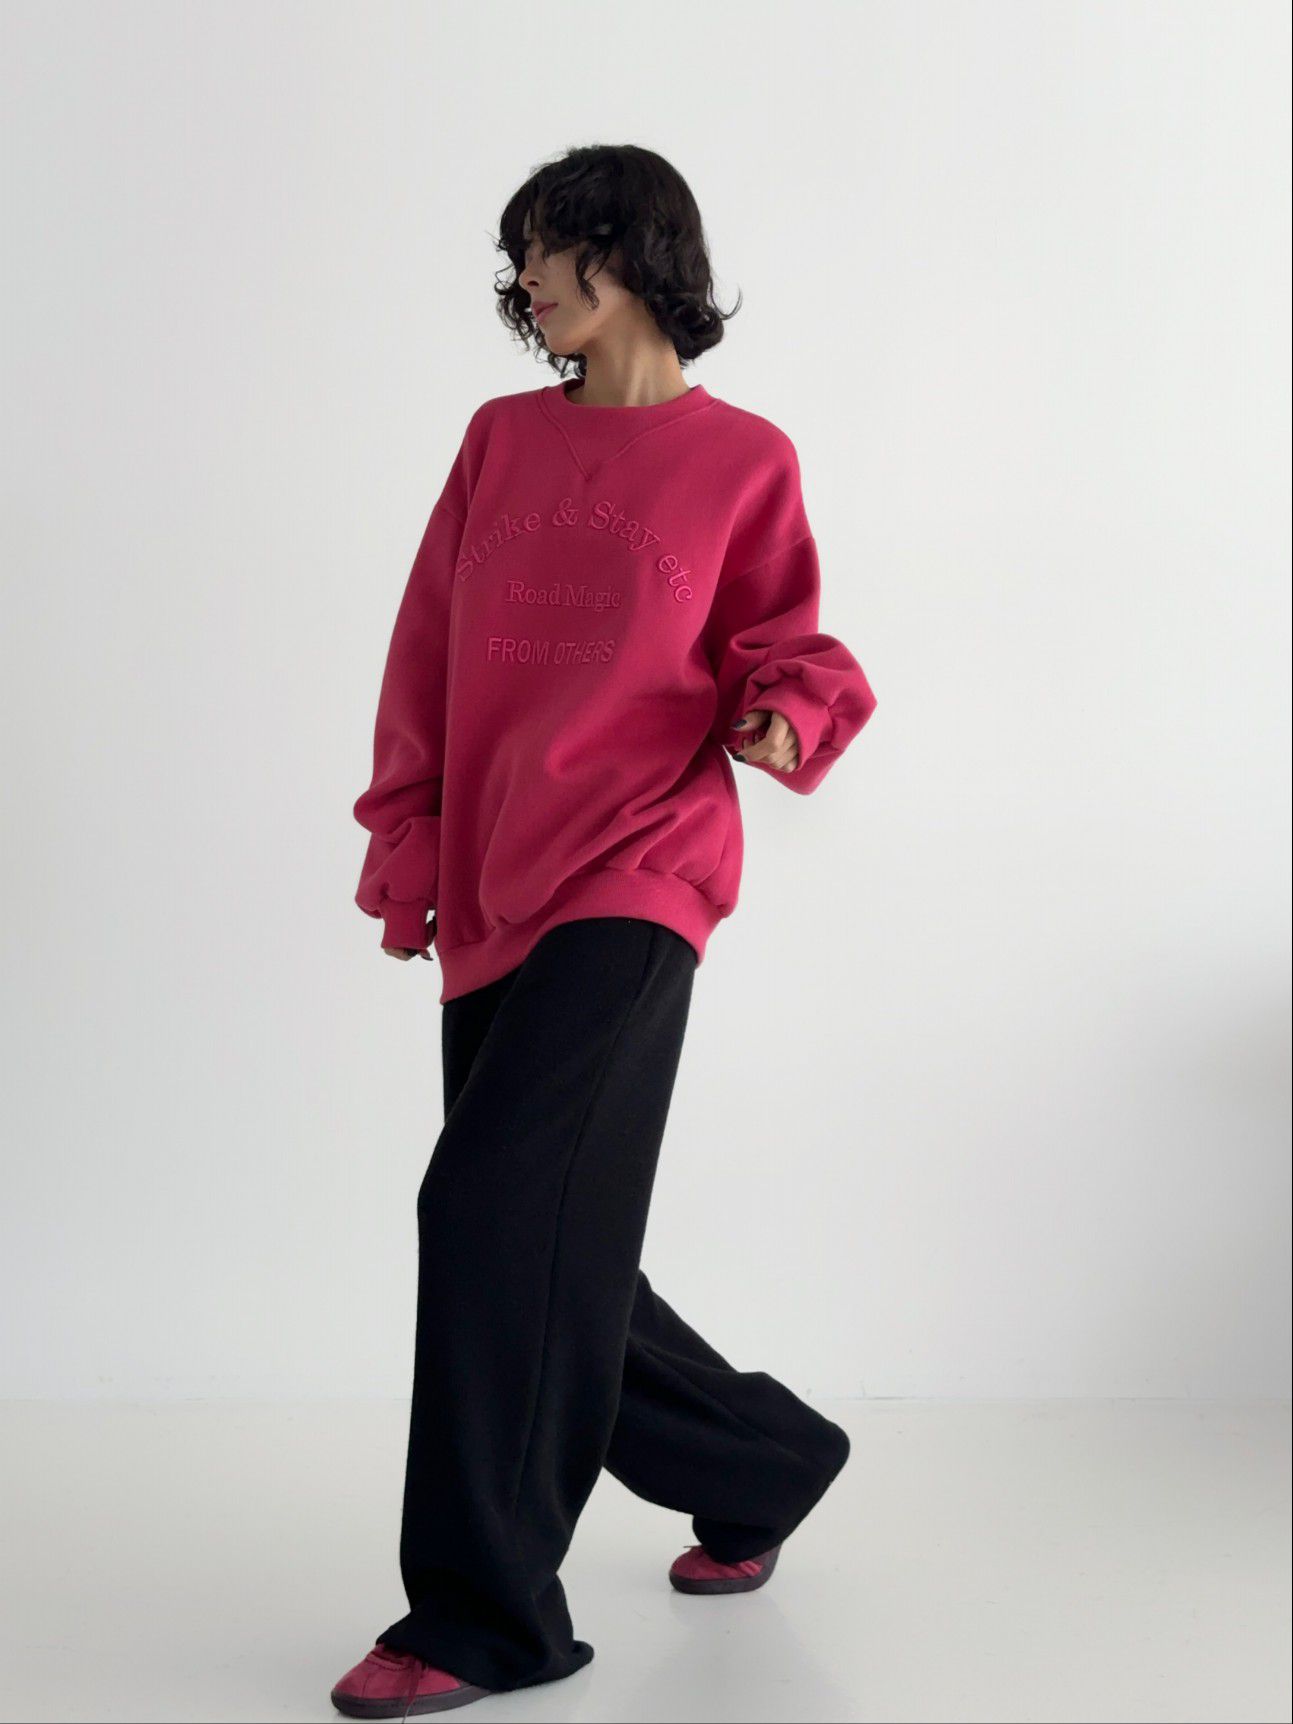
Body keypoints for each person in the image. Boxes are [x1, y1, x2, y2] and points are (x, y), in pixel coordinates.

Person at [332, 142, 878, 1719]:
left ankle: (483, 1615)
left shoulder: (741, 458)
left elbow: (786, 639)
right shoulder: (499, 441)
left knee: (487, 1213)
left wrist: (781, 718)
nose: (525, 283)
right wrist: (410, 840)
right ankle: (763, 1459)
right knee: (545, 1243)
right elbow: (425, 654)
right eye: (515, 258)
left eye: (548, 249)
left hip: (640, 871)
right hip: (497, 873)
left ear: (631, 253)